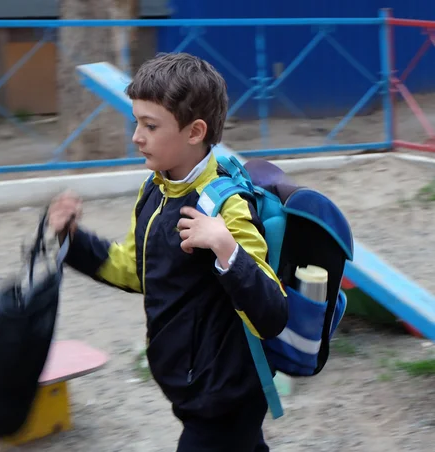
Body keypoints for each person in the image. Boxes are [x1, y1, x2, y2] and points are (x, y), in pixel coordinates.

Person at [47, 52, 288, 452]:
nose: (136, 136)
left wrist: (227, 248)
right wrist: (71, 239)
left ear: (195, 132)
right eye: (136, 122)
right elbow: (136, 270)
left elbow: (272, 315)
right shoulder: (157, 189)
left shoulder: (226, 207)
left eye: (150, 125)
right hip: (191, 386)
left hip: (223, 394)